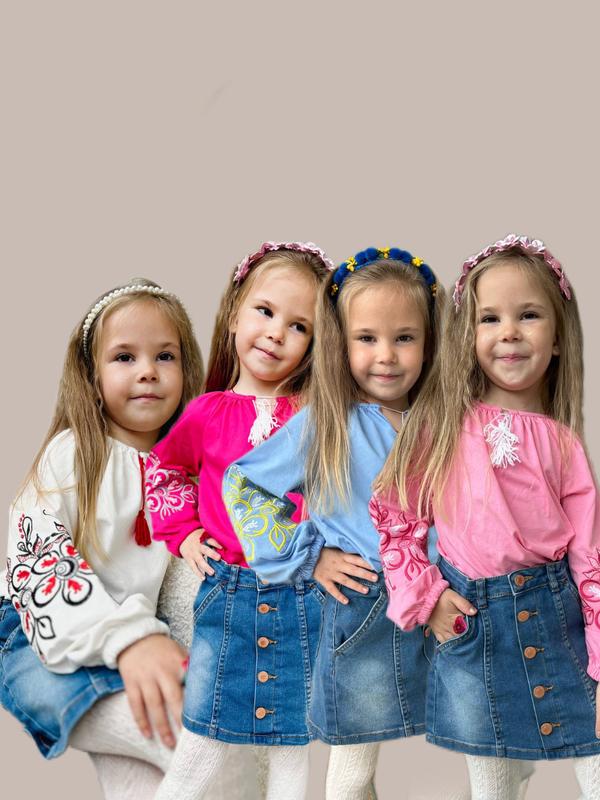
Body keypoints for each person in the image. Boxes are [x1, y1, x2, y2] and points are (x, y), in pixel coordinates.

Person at [371, 234, 600, 799]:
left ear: (558, 338)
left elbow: (590, 559)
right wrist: (425, 598)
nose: (510, 332)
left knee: (593, 762)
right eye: (490, 318)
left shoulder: (566, 445)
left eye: (529, 315)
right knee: (491, 779)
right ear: (467, 336)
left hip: (557, 618)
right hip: (475, 623)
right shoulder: (441, 426)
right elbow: (395, 517)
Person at [224, 247, 445, 800]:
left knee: (483, 736)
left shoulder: (440, 423)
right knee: (353, 766)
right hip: (365, 606)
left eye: (404, 337)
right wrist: (309, 556)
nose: (386, 356)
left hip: (444, 598)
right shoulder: (327, 424)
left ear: (429, 341)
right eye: (366, 338)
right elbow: (244, 484)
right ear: (340, 344)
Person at [0, 278, 205, 799]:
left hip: (133, 638)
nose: (147, 371)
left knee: (145, 786)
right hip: (38, 630)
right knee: (191, 742)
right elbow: (39, 562)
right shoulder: (73, 454)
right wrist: (130, 639)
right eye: (124, 357)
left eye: (165, 356)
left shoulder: (183, 478)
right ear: (92, 378)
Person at [146, 242, 334, 800]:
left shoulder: (317, 417)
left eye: (299, 326)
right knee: (205, 730)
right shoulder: (205, 413)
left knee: (292, 738)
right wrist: (184, 534)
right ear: (234, 314)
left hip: (302, 592)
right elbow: (165, 471)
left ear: (314, 344)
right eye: (265, 311)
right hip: (228, 591)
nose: (276, 333)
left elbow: (341, 490)